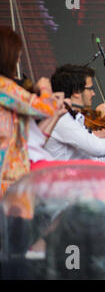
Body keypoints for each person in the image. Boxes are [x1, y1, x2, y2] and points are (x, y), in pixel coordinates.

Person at [0, 26, 57, 197]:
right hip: (7, 172)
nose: (18, 60)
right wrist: (45, 88)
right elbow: (46, 109)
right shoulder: (4, 87)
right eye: (17, 54)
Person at [44, 64, 105, 164]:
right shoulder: (63, 119)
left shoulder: (76, 118)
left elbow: (98, 162)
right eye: (90, 88)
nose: (93, 94)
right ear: (76, 91)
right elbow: (97, 148)